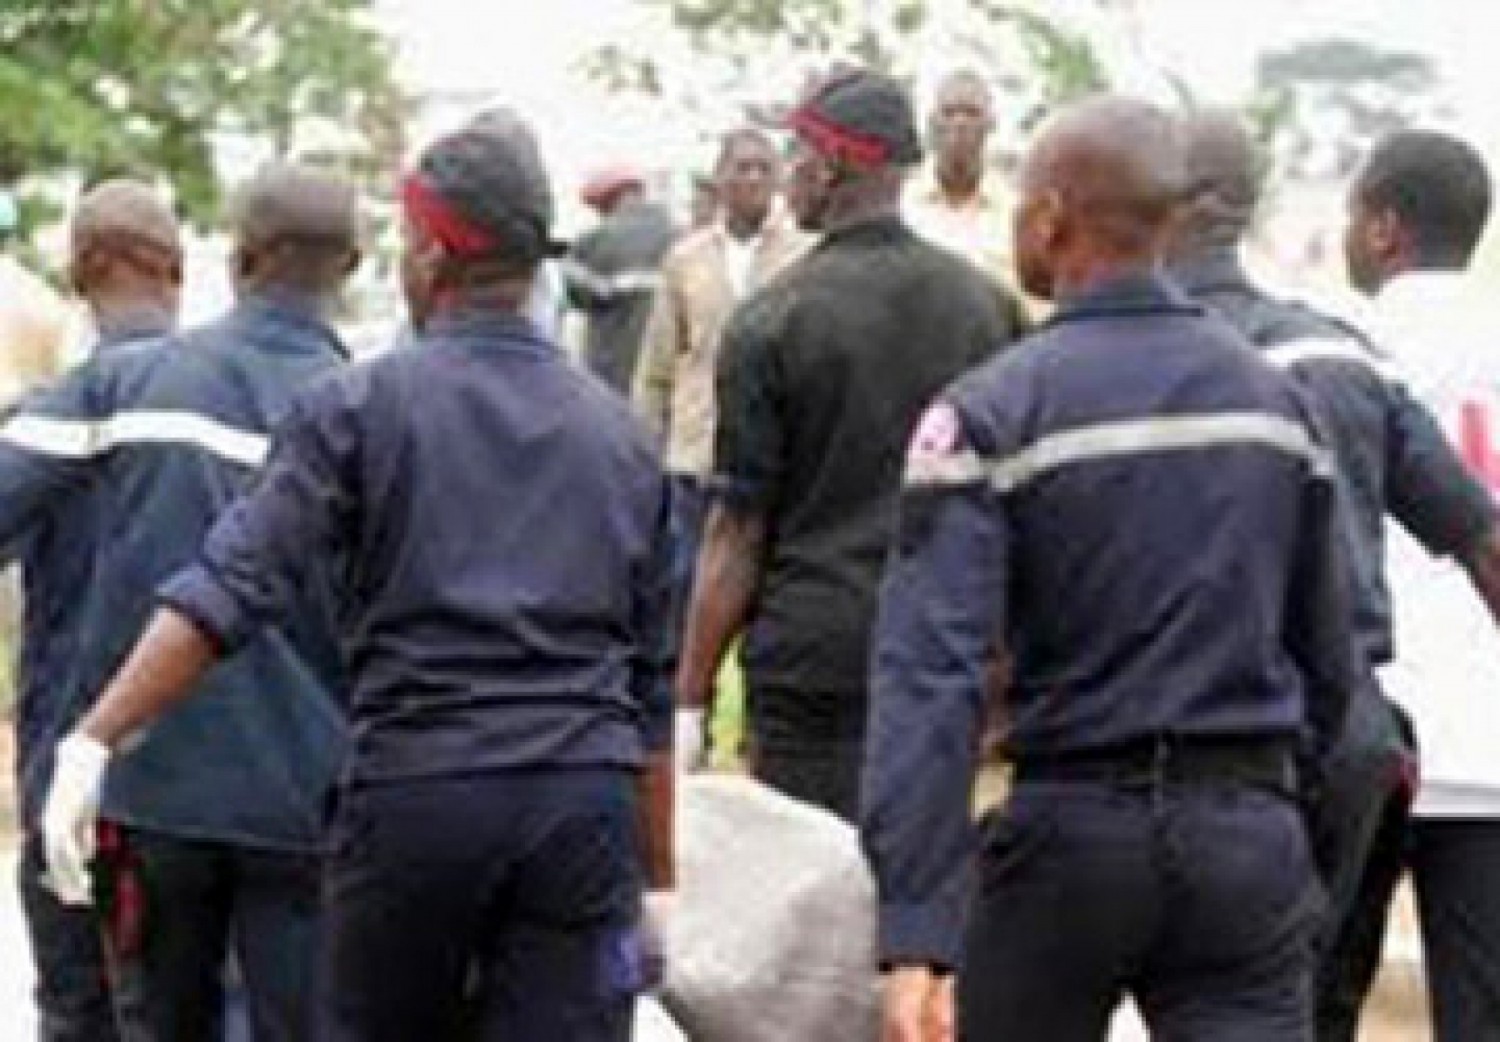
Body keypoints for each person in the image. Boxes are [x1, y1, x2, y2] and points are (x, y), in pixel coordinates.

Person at [42, 126, 677, 1042]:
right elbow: (648, 689)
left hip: (419, 804)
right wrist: (656, 881)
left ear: (429, 256)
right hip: (579, 814)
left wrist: (95, 738)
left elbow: (230, 587)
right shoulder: (621, 439)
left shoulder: (360, 409)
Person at [863, 96, 1358, 1041]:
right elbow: (1333, 669)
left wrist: (916, 928)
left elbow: (934, 675)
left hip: (1069, 845)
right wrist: (1298, 858)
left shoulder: (991, 413)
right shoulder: (1278, 407)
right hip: (1243, 843)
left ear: (1050, 215)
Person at [0, 165, 358, 1040]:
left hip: (141, 782)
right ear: (350, 267)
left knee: (129, 1017)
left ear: (235, 260)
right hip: (308, 798)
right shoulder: (373, 408)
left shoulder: (120, 389)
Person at [1165, 113, 1500, 1042]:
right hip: (1458, 739)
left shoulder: (1333, 339)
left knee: (1287, 1001)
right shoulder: (1380, 348)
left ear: (1382, 227)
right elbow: (1481, 535)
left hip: (1333, 721)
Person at [676, 69, 1025, 820]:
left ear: (828, 167)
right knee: (922, 903)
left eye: (795, 153)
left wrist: (690, 699)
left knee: (810, 900)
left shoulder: (771, 321)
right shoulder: (989, 311)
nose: (785, 175)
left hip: (812, 668)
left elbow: (738, 529)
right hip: (941, 655)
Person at [7, 178, 180, 1042]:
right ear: (178, 273)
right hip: (205, 782)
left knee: (76, 1007)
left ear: (79, 275)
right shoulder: (251, 407)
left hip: (63, 765)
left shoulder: (44, 420)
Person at [1338, 130, 1500, 1041]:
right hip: (1491, 740)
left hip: (1368, 724)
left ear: (1385, 228)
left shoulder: (1341, 343)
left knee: (1315, 1000)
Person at [633, 127, 808, 749]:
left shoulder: (803, 254)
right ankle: (685, 731)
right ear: (720, 178)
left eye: (765, 168)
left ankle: (758, 730)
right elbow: (658, 366)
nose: (753, 179)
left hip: (776, 459)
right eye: (741, 168)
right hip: (696, 456)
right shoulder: (685, 260)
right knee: (686, 600)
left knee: (765, 600)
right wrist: (645, 450)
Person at [565, 165, 678, 393]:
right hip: (668, 382)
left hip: (613, 380)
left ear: (606, 201)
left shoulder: (593, 242)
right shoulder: (684, 237)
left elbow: (574, 297)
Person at [905, 70, 1016, 293]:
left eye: (972, 113)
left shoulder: (1015, 212)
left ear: (991, 124)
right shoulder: (901, 204)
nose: (960, 123)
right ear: (931, 122)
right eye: (948, 112)